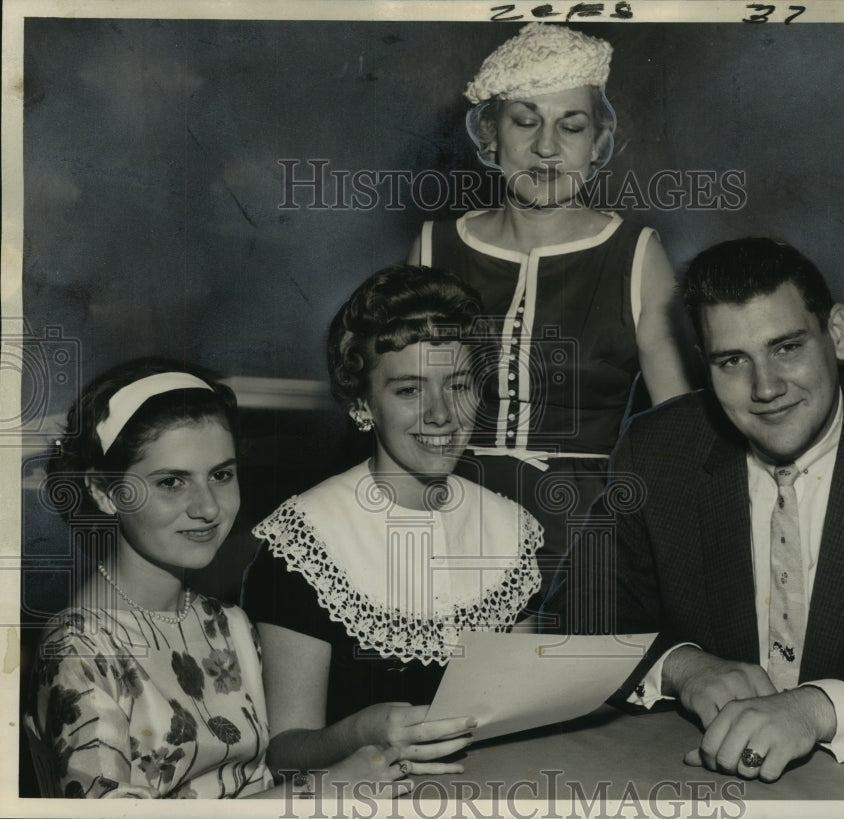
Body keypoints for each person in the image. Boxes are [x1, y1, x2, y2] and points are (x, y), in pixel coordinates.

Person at [544, 238, 844, 781]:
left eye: (787, 348)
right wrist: (684, 668)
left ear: (838, 334)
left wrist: (813, 709)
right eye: (733, 361)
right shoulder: (656, 450)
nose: (766, 387)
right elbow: (574, 619)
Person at [30, 358, 410, 799]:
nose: (208, 507)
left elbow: (270, 768)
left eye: (221, 475)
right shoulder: (78, 650)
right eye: (172, 482)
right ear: (104, 491)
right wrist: (324, 791)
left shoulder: (229, 624)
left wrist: (359, 734)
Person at [407, 23, 690, 597]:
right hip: (443, 512)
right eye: (525, 120)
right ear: (491, 136)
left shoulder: (638, 254)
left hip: (583, 531)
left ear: (598, 142)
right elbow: (401, 398)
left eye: (571, 125)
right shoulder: (434, 246)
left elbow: (679, 431)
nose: (546, 148)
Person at [241, 266, 543, 776]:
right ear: (363, 403)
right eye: (408, 390)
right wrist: (364, 731)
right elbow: (285, 754)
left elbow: (519, 715)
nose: (442, 414)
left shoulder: (510, 530)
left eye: (460, 385)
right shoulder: (305, 542)